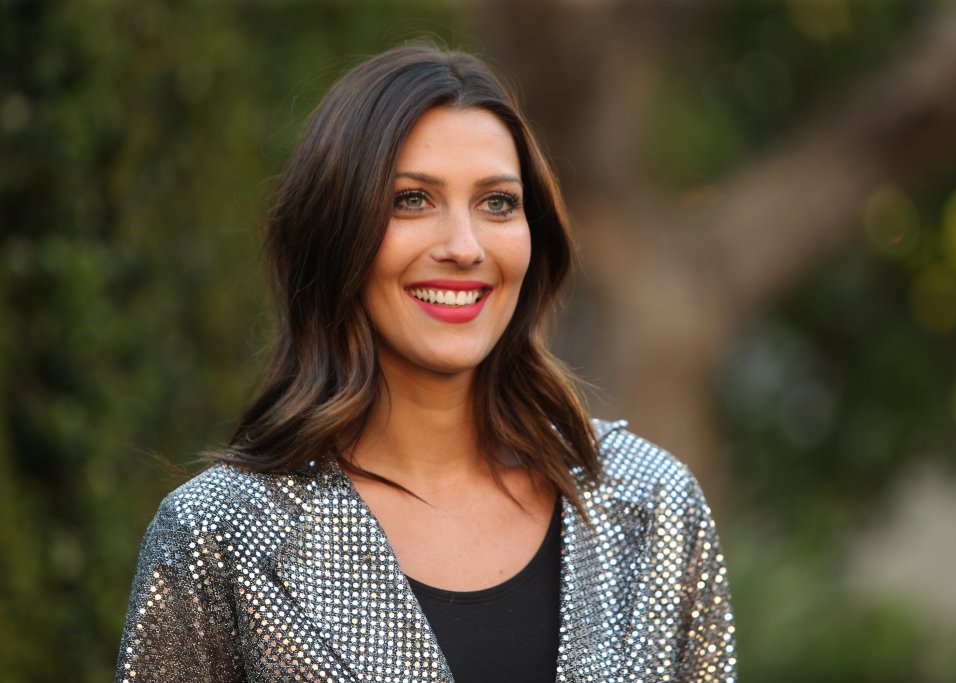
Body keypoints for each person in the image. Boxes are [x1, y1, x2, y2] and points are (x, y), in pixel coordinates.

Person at [116, 43, 737, 683]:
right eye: (412, 200)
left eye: (497, 202)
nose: (464, 248)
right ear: (335, 233)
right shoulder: (220, 533)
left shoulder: (652, 503)